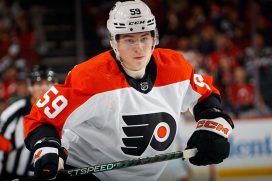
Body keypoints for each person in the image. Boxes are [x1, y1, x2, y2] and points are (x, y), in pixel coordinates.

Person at [23, 1, 234, 181]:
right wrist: (47, 149)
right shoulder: (89, 77)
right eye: (130, 40)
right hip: (85, 172)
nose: (139, 48)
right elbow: (40, 119)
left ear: (154, 38)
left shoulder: (175, 67)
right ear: (114, 42)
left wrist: (212, 128)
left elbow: (206, 97)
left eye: (144, 38)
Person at [0, 65, 57, 180]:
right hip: (14, 177)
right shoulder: (14, 112)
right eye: (40, 84)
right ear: (30, 87)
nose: (45, 88)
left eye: (49, 84)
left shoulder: (63, 114)